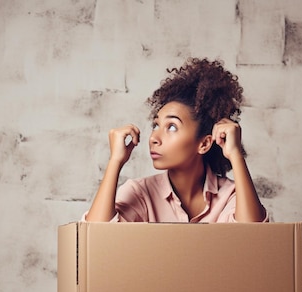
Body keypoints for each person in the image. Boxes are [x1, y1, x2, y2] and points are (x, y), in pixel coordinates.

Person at [85, 58, 267, 223]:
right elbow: (94, 238)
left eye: (171, 127)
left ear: (204, 144)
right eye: (156, 125)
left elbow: (254, 240)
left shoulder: (231, 195)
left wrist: (235, 155)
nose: (154, 138)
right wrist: (115, 161)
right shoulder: (140, 192)